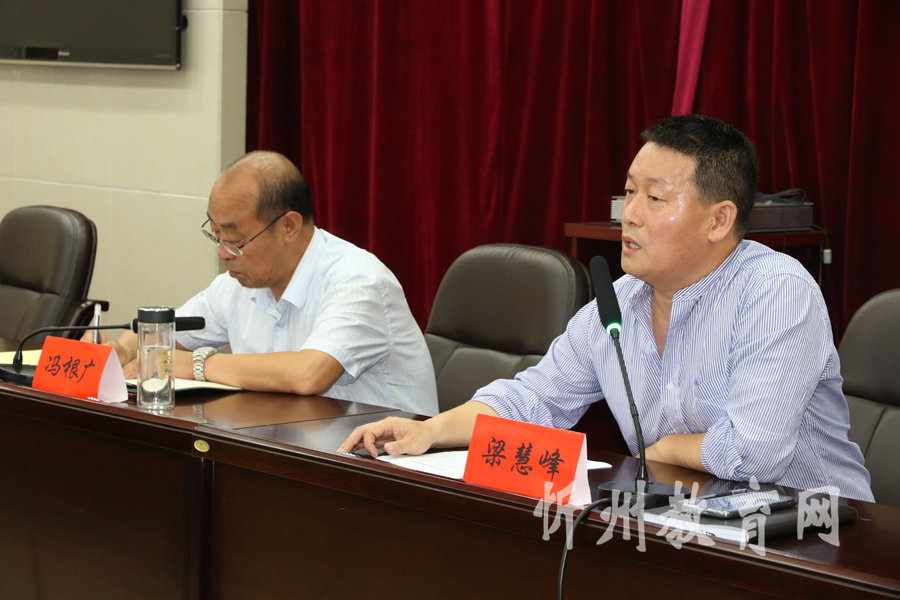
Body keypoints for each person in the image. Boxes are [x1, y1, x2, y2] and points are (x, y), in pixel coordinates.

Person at [339, 114, 874, 502]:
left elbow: (754, 453)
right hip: (685, 522)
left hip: (820, 535)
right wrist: (430, 431)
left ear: (719, 220)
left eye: (654, 198)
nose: (629, 215)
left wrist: (662, 449)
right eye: (628, 192)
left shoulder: (775, 292)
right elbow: (533, 399)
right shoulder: (621, 302)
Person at [92, 151, 438, 416]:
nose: (223, 253)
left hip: (386, 467)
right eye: (216, 235)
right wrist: (122, 350)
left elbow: (307, 374)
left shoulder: (358, 280)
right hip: (290, 448)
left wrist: (194, 365)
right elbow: (162, 334)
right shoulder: (238, 284)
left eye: (235, 240)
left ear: (289, 226)